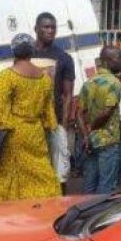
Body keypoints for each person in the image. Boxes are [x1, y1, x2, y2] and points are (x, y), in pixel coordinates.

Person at [0, 34, 61, 204]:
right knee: (38, 171)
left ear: (13, 51)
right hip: (35, 133)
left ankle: (10, 210)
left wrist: (0, 123)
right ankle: (43, 207)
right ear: (32, 50)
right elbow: (49, 111)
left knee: (7, 173)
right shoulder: (44, 78)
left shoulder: (7, 77)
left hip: (13, 134)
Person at [31, 12, 75, 191]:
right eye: (46, 27)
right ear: (36, 29)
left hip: (55, 122)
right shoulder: (27, 56)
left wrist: (62, 126)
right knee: (34, 172)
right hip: (31, 123)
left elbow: (68, 95)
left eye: (53, 27)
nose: (50, 31)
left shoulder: (64, 58)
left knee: (60, 173)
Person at [78, 46, 121, 194]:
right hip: (108, 140)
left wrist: (86, 135)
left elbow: (79, 113)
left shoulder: (89, 82)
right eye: (119, 58)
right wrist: (92, 128)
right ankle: (101, 217)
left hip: (90, 142)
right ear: (107, 61)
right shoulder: (114, 83)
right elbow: (107, 112)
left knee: (89, 185)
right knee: (106, 186)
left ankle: (86, 216)